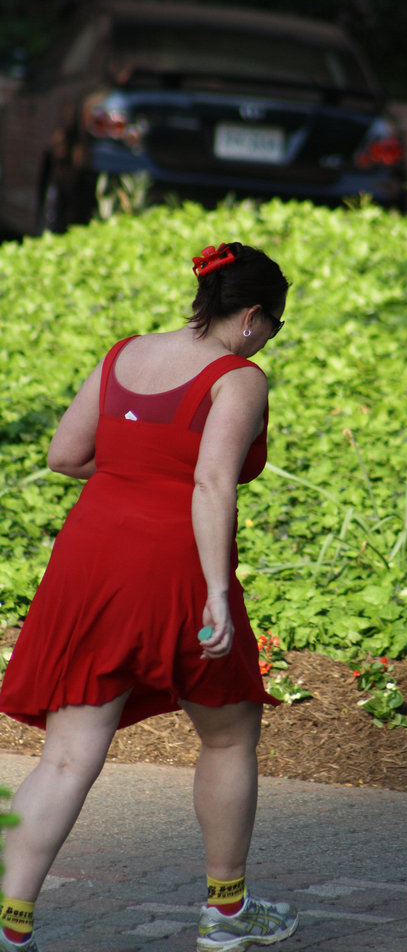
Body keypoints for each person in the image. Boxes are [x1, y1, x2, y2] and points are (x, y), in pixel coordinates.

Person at [0, 241, 298, 952]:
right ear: (253, 316)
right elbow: (210, 483)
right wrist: (218, 595)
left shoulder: (123, 355)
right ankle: (226, 913)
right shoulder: (238, 378)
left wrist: (136, 465)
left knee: (68, 757)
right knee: (227, 734)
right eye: (277, 325)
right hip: (173, 567)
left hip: (91, 559)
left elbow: (65, 456)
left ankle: (10, 927)